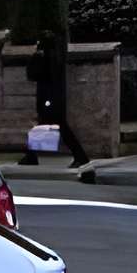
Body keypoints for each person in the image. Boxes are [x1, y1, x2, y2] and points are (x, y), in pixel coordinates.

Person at [28, 26, 92, 169]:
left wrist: (35, 57)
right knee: (42, 127)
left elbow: (33, 74)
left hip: (49, 99)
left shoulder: (45, 57)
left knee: (60, 128)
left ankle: (81, 157)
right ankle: (31, 156)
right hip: (53, 99)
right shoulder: (55, 56)